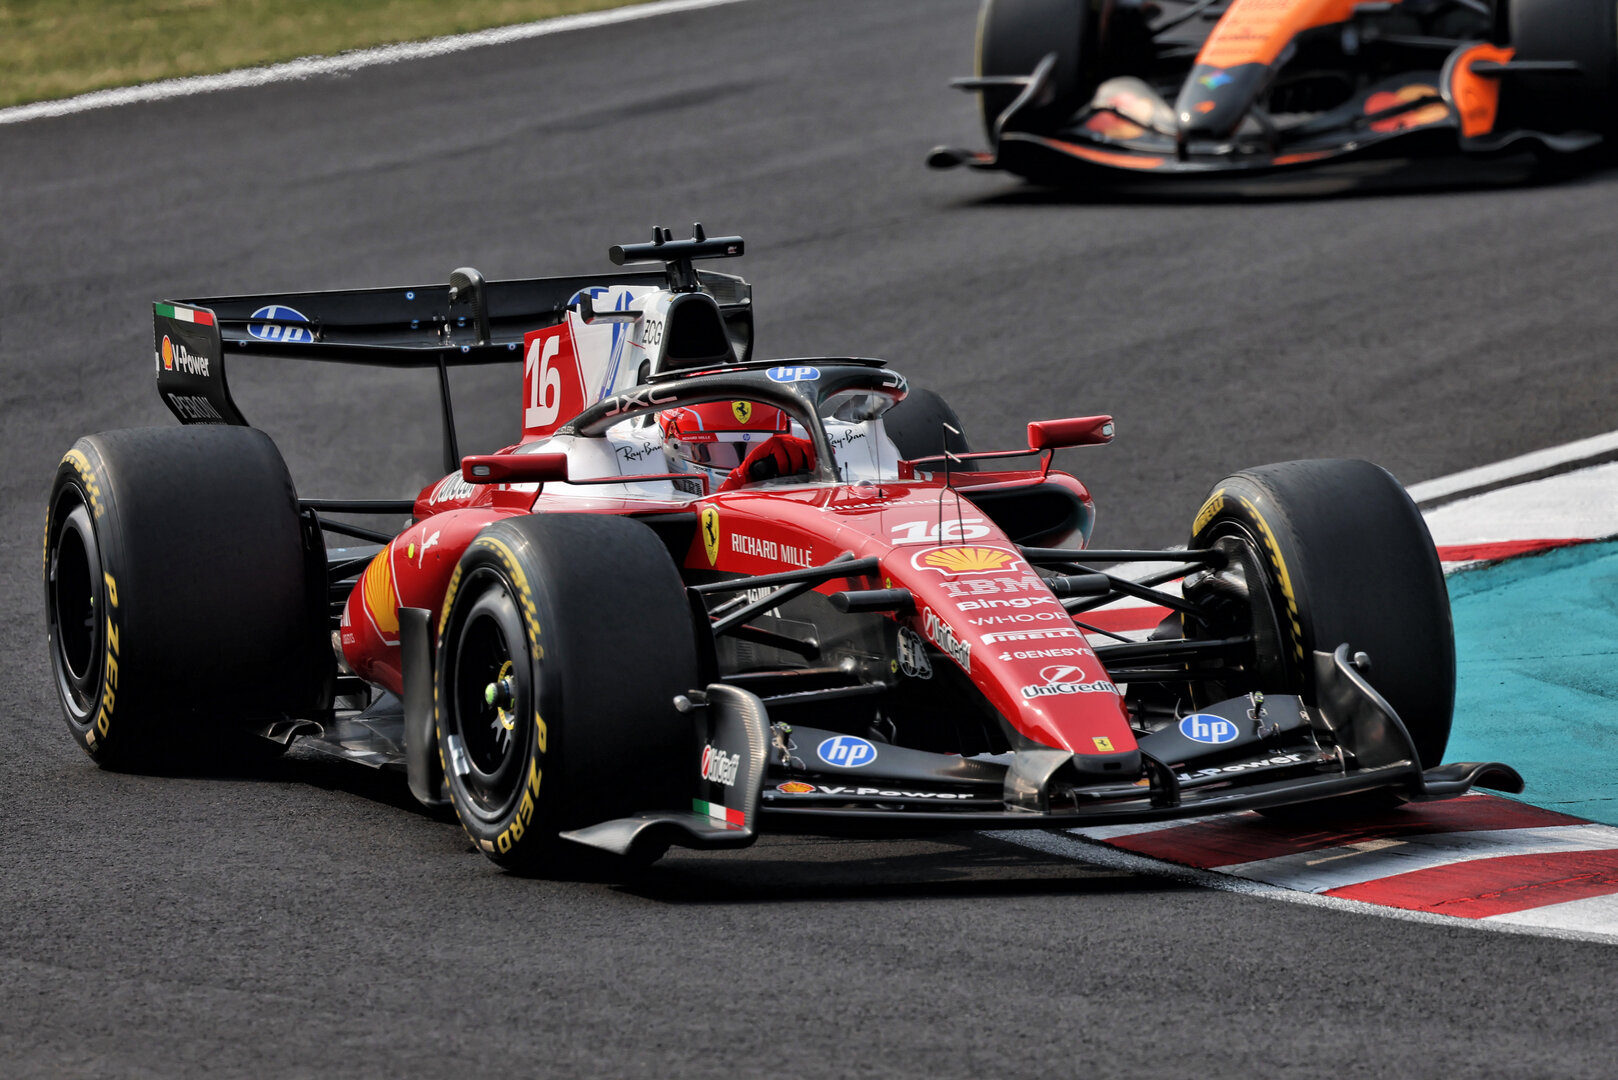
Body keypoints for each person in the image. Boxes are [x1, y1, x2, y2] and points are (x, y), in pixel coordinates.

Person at [658, 400, 817, 492]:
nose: (744, 466)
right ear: (675, 447)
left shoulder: (805, 442)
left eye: (757, 450)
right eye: (724, 452)